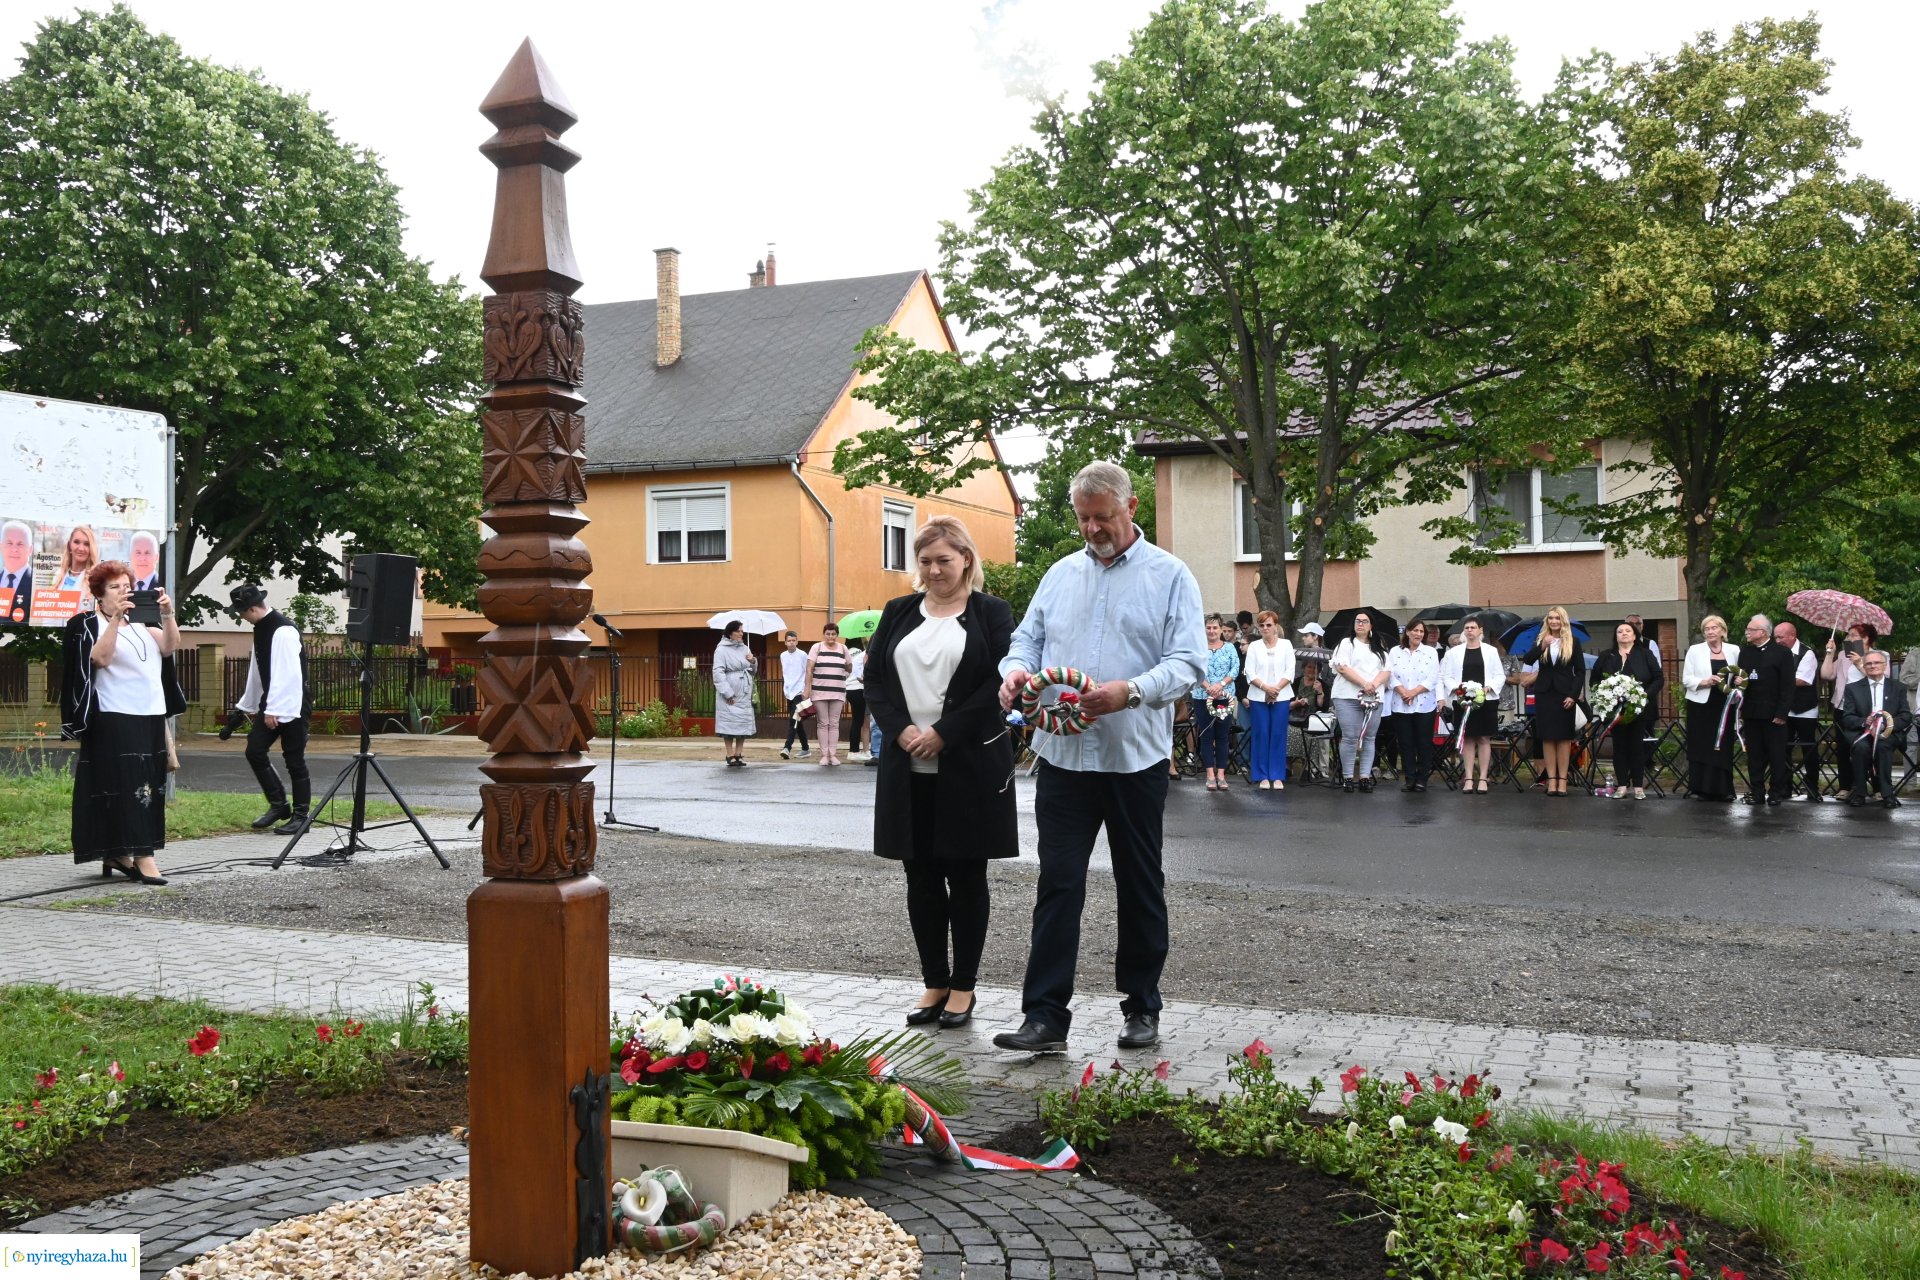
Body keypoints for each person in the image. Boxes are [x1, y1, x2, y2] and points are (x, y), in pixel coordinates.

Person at [991, 460, 1205, 1055]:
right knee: (1058, 884)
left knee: (1140, 884)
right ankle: (1044, 1019)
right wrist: (1015, 675)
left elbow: (1189, 662)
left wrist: (1128, 691)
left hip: (1133, 757)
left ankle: (1142, 1008)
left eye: (1103, 517)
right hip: (1062, 757)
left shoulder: (1171, 576)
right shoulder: (1059, 575)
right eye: (1083, 518)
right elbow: (1026, 641)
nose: (1092, 529)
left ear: (1130, 508)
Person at [867, 516, 1017, 1029]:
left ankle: (964, 987)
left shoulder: (991, 613)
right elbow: (874, 680)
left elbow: (997, 681)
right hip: (907, 767)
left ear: (967, 560)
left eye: (943, 561)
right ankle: (933, 980)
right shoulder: (898, 611)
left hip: (969, 766)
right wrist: (903, 729)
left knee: (967, 877)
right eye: (925, 561)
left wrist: (944, 732)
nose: (933, 570)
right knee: (921, 878)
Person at [60, 560, 179, 884]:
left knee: (148, 788)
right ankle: (142, 857)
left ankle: (118, 854)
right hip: (114, 717)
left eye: (127, 586)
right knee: (125, 788)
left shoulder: (143, 623)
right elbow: (100, 658)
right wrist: (114, 620)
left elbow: (170, 647)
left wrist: (167, 614)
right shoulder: (89, 624)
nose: (123, 592)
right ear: (100, 594)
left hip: (150, 715)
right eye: (115, 587)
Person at [232, 584, 312, 835]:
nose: (240, 617)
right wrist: (245, 706)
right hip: (273, 702)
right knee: (254, 751)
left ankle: (301, 816)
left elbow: (287, 675)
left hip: (293, 703)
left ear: (253, 608)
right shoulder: (261, 629)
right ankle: (279, 805)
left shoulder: (283, 629)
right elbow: (259, 671)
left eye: (241, 612)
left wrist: (273, 710)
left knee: (294, 760)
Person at [1591, 622, 1664, 799]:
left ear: (1634, 636)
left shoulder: (1645, 654)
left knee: (1637, 747)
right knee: (1620, 747)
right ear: (1615, 636)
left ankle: (1638, 787)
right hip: (1615, 712)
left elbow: (1658, 678)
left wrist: (1645, 695)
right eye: (1619, 631)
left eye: (1627, 631)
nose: (1623, 634)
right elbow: (1594, 681)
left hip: (1638, 709)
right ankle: (1622, 785)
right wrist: (1604, 699)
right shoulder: (1606, 656)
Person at [1522, 607, 1585, 797]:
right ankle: (1551, 780)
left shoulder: (1573, 642)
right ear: (1547, 621)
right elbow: (1527, 659)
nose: (1554, 621)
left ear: (1563, 620)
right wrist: (1543, 646)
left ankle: (1563, 780)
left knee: (1564, 739)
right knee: (1547, 737)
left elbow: (1580, 671)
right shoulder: (1542, 640)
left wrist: (1573, 695)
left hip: (1564, 695)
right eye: (1551, 618)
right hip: (1544, 694)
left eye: (1557, 618)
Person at [1839, 650, 1911, 808]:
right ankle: (1859, 793)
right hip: (1862, 733)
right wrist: (1865, 722)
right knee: (1861, 748)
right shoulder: (1853, 688)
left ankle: (1887, 794)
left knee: (1883, 746)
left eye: (1877, 662)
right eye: (1869, 663)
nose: (1873, 666)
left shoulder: (1898, 687)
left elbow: (1905, 716)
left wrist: (1887, 725)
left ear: (1885, 665)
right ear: (1864, 666)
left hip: (1888, 733)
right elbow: (1847, 717)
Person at [1440, 618, 1505, 794]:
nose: (1469, 630)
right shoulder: (1455, 652)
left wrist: (1489, 687)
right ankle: (1468, 778)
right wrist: (1458, 688)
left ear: (1480, 630)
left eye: (1473, 627)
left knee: (1484, 739)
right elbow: (1447, 676)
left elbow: (1500, 675)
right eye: (1467, 628)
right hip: (1463, 701)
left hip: (1486, 701)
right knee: (1467, 739)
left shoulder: (1490, 651)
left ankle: (1483, 778)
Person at [1682, 615, 1742, 801]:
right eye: (1707, 629)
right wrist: (1705, 682)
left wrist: (1739, 681)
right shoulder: (1695, 650)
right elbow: (1687, 679)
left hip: (1724, 704)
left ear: (1723, 631)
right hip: (1701, 704)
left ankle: (1724, 789)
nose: (1710, 631)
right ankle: (1700, 788)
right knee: (1702, 744)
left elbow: (1740, 674)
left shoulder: (1734, 650)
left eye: (1714, 628)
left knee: (1722, 744)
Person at [1737, 614, 1794, 806]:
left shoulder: (1782, 653)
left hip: (1773, 713)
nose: (1747, 633)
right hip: (1752, 712)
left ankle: (1776, 792)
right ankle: (1757, 791)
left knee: (1776, 754)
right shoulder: (1745, 653)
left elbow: (1787, 685)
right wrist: (1738, 681)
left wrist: (1781, 713)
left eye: (1750, 630)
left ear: (1762, 632)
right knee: (1755, 755)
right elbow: (1742, 679)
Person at [1330, 612, 1390, 793]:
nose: (1361, 624)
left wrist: (1374, 685)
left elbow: (1386, 670)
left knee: (1370, 737)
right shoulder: (1346, 644)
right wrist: (1364, 683)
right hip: (1347, 696)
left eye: (1365, 621)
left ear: (1371, 625)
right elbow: (1342, 667)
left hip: (1374, 697)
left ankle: (1364, 776)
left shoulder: (1379, 646)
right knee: (1350, 736)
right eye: (1358, 621)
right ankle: (1348, 777)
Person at [1821, 624, 1880, 799]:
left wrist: (1861, 663)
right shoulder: (1842, 656)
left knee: (1871, 747)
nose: (1848, 639)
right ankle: (1845, 786)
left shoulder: (1879, 656)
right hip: (1843, 708)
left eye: (1853, 635)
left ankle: (1877, 788)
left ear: (1866, 638)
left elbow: (1879, 680)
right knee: (1843, 748)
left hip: (1868, 710)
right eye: (1847, 635)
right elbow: (1826, 675)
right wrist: (1830, 653)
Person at [1241, 611, 1294, 790]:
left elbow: (1290, 671)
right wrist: (1266, 688)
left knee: (1278, 734)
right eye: (1262, 625)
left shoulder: (1286, 645)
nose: (1265, 628)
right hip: (1258, 695)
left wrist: (1276, 689)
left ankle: (1277, 775)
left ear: (1275, 626)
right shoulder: (1254, 646)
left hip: (1282, 695)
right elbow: (1250, 672)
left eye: (1268, 625)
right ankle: (1262, 775)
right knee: (1261, 734)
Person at [1387, 621, 1440, 793]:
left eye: (1421, 631)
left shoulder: (1430, 652)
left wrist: (1413, 692)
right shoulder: (1395, 652)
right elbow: (1390, 676)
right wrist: (1403, 692)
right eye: (1415, 630)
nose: (1418, 634)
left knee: (1423, 742)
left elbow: (1433, 678)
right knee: (1405, 743)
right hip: (1400, 704)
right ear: (1408, 632)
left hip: (1424, 704)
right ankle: (1409, 777)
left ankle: (1422, 778)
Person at [1192, 615, 1240, 792]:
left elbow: (1235, 669)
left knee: (1222, 735)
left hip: (1224, 696)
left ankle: (1221, 774)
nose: (1212, 631)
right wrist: (1208, 687)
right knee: (1206, 735)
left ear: (1221, 629)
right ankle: (1210, 775)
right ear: (1204, 629)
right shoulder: (1198, 648)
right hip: (1201, 696)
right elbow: (1195, 669)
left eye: (1215, 627)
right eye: (1208, 628)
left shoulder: (1229, 648)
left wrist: (1220, 685)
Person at [1775, 621, 1822, 801]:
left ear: (1792, 635)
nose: (1777, 641)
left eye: (1781, 637)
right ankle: (1785, 787)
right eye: (1776, 637)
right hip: (1785, 709)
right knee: (1783, 748)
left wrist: (1776, 680)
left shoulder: (1806, 653)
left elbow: (1802, 680)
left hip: (1805, 709)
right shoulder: (1778, 652)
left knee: (1808, 749)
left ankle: (1811, 786)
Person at [712, 619, 757, 767]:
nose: (741, 633)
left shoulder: (745, 648)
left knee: (742, 722)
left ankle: (739, 753)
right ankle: (729, 753)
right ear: (730, 633)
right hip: (731, 690)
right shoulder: (721, 649)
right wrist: (727, 692)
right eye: (738, 631)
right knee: (729, 722)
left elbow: (753, 670)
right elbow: (718, 672)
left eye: (742, 631)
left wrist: (753, 661)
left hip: (744, 690)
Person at [805, 622, 851, 766]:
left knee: (834, 723)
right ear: (824, 634)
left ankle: (833, 754)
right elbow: (809, 669)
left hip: (837, 692)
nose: (830, 636)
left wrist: (843, 673)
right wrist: (807, 689)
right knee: (823, 723)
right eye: (828, 633)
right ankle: (824, 755)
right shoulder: (816, 647)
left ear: (837, 635)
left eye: (833, 634)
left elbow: (849, 667)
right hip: (819, 692)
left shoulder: (843, 649)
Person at [1290, 657, 1331, 779]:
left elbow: (1323, 708)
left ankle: (1308, 767)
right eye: (1309, 667)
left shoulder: (1323, 685)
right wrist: (1297, 703)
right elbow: (1288, 704)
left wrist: (1320, 692)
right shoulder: (1295, 682)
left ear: (1319, 671)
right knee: (1286, 731)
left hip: (1312, 720)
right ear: (1303, 668)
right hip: (1293, 718)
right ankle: (1287, 767)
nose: (1312, 670)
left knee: (1309, 735)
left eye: (1314, 668)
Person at [778, 630, 811, 759]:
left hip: (799, 691)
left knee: (793, 720)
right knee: (797, 720)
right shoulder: (782, 655)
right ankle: (806, 748)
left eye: (793, 640)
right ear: (785, 642)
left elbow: (808, 671)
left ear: (797, 641)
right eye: (789, 641)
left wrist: (807, 689)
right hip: (788, 692)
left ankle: (787, 747)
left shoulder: (803, 655)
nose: (791, 643)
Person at [0, 519, 32, 624]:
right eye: (9, 543)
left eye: (20, 544)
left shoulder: (38, 584)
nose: (14, 549)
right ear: (1, 547)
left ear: (30, 550)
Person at [56, 525, 98, 592]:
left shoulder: (96, 579)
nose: (81, 548)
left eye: (86, 544)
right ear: (69, 546)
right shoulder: (57, 576)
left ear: (91, 549)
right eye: (76, 542)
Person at [844, 640, 868, 759]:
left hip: (849, 689)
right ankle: (854, 751)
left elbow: (845, 673)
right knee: (858, 722)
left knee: (856, 721)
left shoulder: (846, 653)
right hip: (859, 688)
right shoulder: (863, 654)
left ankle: (854, 751)